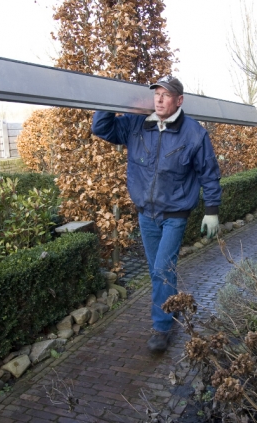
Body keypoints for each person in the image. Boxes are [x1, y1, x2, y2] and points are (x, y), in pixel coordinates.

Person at [92, 76, 222, 352]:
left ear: (179, 100)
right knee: (157, 271)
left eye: (166, 94)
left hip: (175, 213)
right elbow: (102, 127)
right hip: (146, 213)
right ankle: (170, 309)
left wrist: (211, 211)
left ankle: (161, 328)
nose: (160, 99)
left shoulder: (194, 133)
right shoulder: (136, 124)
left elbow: (209, 174)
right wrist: (109, 98)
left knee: (163, 268)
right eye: (157, 94)